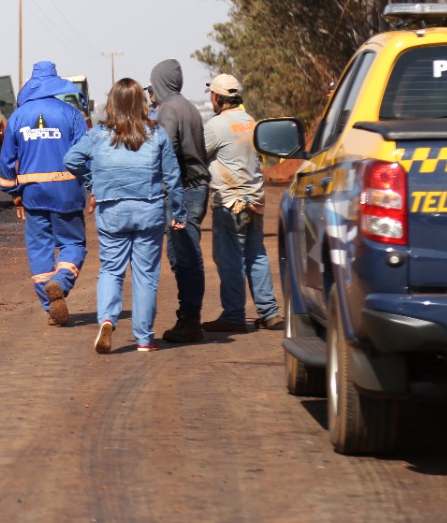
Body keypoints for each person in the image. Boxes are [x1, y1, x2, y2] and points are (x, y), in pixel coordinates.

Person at [65, 78, 186, 353]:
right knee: (146, 275)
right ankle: (144, 339)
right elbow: (173, 177)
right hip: (149, 210)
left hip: (111, 211)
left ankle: (107, 318)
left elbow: (71, 160)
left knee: (111, 269)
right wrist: (179, 212)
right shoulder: (156, 134)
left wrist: (93, 185)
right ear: (142, 103)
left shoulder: (98, 134)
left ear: (112, 103)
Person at [0, 61, 89, 326]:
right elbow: (85, 154)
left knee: (39, 250)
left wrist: (14, 193)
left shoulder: (17, 116)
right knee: (73, 244)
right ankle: (60, 282)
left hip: (33, 195)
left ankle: (51, 305)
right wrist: (92, 187)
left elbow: (6, 161)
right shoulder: (71, 114)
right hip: (67, 193)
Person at [201, 73, 284, 332]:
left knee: (229, 259)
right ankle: (269, 312)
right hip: (255, 201)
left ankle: (234, 316)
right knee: (256, 254)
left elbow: (198, 155)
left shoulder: (216, 126)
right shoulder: (250, 121)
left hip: (230, 202)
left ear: (217, 97)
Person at [149, 60, 212, 344]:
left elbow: (167, 149)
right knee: (185, 255)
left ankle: (190, 320)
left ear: (160, 82)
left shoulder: (170, 110)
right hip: (195, 188)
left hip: (183, 191)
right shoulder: (187, 106)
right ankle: (189, 316)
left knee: (184, 257)